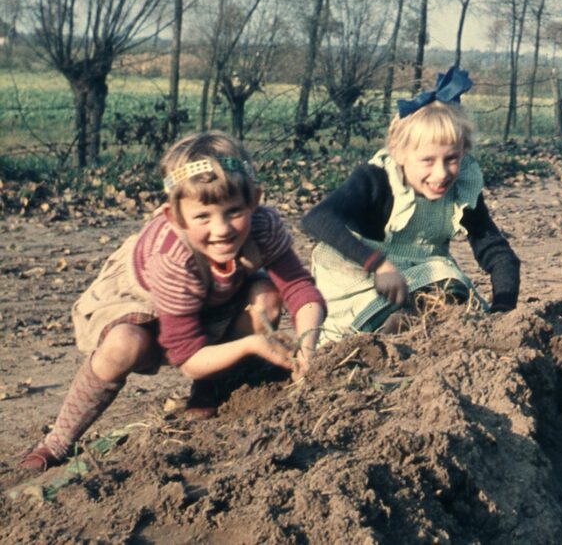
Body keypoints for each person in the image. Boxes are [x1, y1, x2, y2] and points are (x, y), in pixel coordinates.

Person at [19, 131, 325, 473]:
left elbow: (299, 287)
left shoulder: (263, 225)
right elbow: (188, 358)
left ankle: (209, 389)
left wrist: (307, 348)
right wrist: (253, 345)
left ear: (254, 200)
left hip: (213, 297)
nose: (222, 229)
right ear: (175, 216)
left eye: (234, 211)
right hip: (144, 302)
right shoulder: (172, 255)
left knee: (266, 295)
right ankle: (59, 440)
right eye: (203, 216)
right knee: (124, 345)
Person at [302, 67, 520, 342]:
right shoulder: (377, 179)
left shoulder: (461, 189)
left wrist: (502, 313)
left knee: (454, 294)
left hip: (420, 274)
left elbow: (497, 253)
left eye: (452, 159)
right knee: (385, 312)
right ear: (399, 153)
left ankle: (415, 329)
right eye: (428, 160)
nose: (441, 173)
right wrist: (378, 265)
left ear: (464, 152)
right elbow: (317, 219)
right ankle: (382, 336)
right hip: (363, 274)